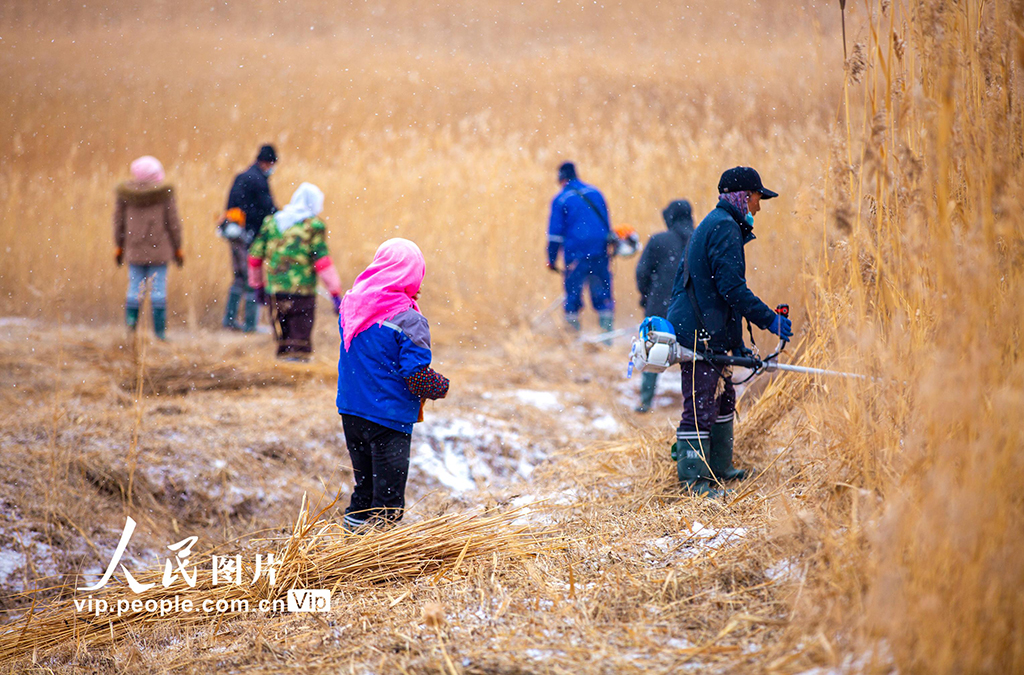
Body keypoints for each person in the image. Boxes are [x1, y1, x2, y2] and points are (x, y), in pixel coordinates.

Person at [666, 167, 793, 496]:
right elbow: (731, 288)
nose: (758, 207)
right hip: (698, 332)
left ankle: (720, 467)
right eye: (756, 198)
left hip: (708, 329)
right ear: (743, 196)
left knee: (723, 396)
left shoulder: (718, 223)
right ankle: (695, 481)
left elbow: (719, 292)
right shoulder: (724, 227)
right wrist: (770, 319)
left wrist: (734, 342)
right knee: (701, 402)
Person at [335, 238, 450, 532]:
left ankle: (349, 548)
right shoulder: (409, 319)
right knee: (388, 501)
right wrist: (441, 387)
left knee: (364, 491)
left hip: (351, 412)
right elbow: (417, 377)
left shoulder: (352, 306)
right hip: (389, 420)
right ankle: (380, 563)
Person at [247, 183, 342, 361]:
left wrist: (258, 286)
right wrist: (335, 293)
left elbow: (254, 257)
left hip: (275, 292)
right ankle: (296, 379)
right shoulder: (313, 225)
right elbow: (322, 262)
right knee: (299, 345)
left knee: (283, 343)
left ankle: (282, 379)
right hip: (302, 294)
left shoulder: (272, 222)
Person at [113, 155, 183, 341]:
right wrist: (178, 248)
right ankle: (160, 334)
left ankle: (131, 331)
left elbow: (118, 223)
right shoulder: (164, 195)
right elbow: (173, 224)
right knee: (158, 290)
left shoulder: (126, 196)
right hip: (159, 252)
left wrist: (119, 247)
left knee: (134, 289)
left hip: (134, 250)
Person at [634, 199, 695, 412]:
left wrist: (646, 296)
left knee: (652, 352)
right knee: (694, 356)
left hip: (660, 307)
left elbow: (642, 273)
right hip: (691, 310)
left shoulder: (658, 241)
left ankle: (645, 400)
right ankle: (695, 404)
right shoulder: (700, 240)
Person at [546, 162, 615, 334]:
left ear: (561, 179)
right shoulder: (595, 193)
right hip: (600, 253)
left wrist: (552, 259)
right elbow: (607, 225)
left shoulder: (561, 199)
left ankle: (572, 341)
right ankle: (606, 339)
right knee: (603, 295)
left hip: (576, 255)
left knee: (573, 298)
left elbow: (554, 235)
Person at [221, 144, 278, 332]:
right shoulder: (259, 180)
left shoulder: (241, 176)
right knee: (252, 279)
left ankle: (229, 320)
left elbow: (230, 205)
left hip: (233, 233)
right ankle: (250, 325)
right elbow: (268, 209)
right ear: (268, 162)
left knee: (238, 278)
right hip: (249, 236)